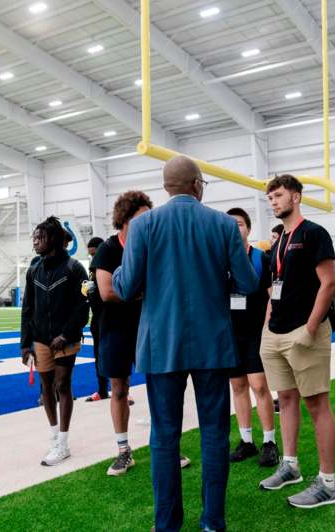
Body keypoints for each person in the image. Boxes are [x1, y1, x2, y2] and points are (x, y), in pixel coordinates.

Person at [113, 156, 258, 532]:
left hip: (161, 345)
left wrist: (121, 269)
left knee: (164, 435)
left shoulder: (144, 225)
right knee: (213, 431)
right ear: (197, 185)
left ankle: (167, 524)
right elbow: (248, 283)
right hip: (212, 343)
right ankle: (212, 521)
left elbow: (125, 287)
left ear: (166, 188)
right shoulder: (224, 224)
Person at [258, 174, 335, 509]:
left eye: (278, 195)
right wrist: (267, 325)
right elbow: (275, 286)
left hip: (303, 332)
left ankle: (328, 483)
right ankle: (290, 465)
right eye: (270, 198)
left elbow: (329, 283)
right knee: (286, 399)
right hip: (275, 332)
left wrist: (309, 328)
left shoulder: (313, 233)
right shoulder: (278, 241)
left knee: (317, 404)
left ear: (296, 197)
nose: (274, 202)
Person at [90, 192, 152, 475]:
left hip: (148, 327)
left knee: (159, 388)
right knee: (119, 389)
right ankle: (123, 450)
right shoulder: (108, 249)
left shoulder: (152, 246)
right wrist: (143, 292)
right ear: (125, 219)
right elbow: (107, 292)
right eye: (142, 216)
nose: (148, 221)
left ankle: (166, 447)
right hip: (115, 330)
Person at [20, 216, 90, 466]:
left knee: (63, 385)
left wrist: (67, 334)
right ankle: (53, 435)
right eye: (34, 238)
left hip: (66, 339)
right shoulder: (33, 269)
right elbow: (27, 307)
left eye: (40, 237)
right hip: (40, 338)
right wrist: (25, 343)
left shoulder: (76, 268)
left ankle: (63, 442)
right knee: (45, 387)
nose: (35, 242)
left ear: (54, 239)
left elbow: (84, 304)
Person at [225, 207, 278, 467]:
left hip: (257, 332)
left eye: (240, 224)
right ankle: (246, 441)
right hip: (231, 334)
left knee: (259, 385)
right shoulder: (219, 261)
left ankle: (270, 442)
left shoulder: (261, 259)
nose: (236, 229)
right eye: (230, 225)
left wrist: (268, 324)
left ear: (248, 228)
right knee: (238, 386)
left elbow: (274, 294)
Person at [85, 236, 110, 403]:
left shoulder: (112, 264)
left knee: (118, 355)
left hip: (113, 318)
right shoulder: (92, 269)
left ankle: (123, 390)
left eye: (95, 253)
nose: (93, 257)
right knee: (98, 356)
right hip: (97, 319)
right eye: (91, 255)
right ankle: (102, 390)